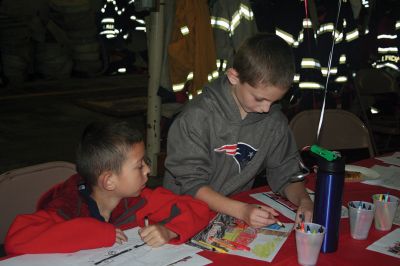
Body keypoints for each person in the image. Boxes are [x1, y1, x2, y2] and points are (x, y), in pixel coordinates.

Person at [163, 33, 313, 228]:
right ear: (234, 77)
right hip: (180, 216)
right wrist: (242, 210)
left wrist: (304, 201)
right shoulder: (196, 118)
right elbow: (191, 185)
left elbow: (286, 173)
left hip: (231, 214)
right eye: (259, 99)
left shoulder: (273, 122)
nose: (266, 109)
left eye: (274, 101)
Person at [5, 121, 211, 255]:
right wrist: (99, 233)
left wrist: (170, 231)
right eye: (139, 165)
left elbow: (198, 208)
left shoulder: (139, 199)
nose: (148, 170)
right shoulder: (66, 207)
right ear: (109, 181)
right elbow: (16, 239)